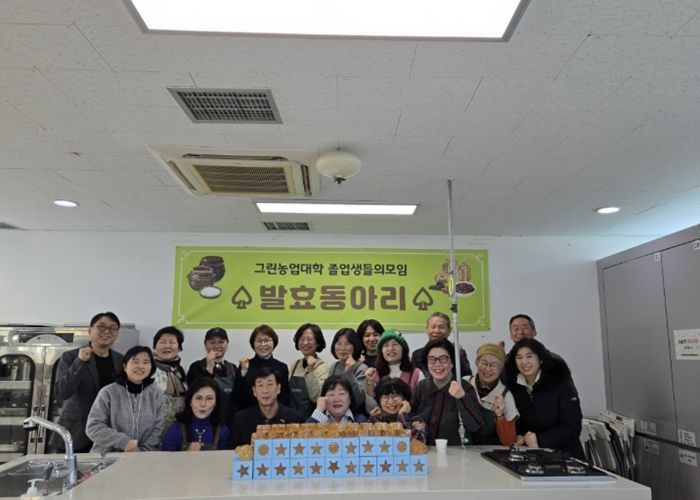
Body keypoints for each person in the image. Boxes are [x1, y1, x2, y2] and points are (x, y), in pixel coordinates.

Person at [51, 311, 124, 452]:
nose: (107, 331)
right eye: (101, 327)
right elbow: (62, 393)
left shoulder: (120, 360)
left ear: (117, 334)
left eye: (112, 328)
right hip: (77, 433)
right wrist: (80, 361)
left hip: (109, 433)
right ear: (90, 331)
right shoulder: (70, 357)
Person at [504, 338, 585, 459]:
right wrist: (520, 434)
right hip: (532, 457)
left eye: (529, 356)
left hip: (565, 457)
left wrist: (541, 440)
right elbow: (520, 420)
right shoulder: (514, 386)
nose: (524, 362)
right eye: (519, 357)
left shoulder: (560, 382)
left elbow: (572, 426)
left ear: (540, 359)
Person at [85, 346, 164, 453]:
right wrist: (124, 442)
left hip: (144, 456)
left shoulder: (155, 393)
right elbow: (93, 427)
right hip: (108, 456)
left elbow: (158, 428)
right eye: (135, 362)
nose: (141, 366)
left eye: (146, 362)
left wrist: (142, 451)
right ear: (125, 366)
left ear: (151, 367)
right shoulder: (108, 392)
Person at [412, 338, 483, 446]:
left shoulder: (464, 387)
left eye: (443, 359)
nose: (437, 364)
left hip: (457, 452)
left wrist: (462, 398)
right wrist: (414, 422)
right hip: (425, 450)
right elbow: (412, 413)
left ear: (452, 362)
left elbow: (475, 425)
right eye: (432, 359)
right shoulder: (421, 387)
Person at [231, 367, 304, 448]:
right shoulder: (241, 420)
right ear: (254, 391)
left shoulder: (295, 418)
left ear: (278, 388)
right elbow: (234, 453)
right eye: (260, 385)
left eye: (270, 384)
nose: (265, 391)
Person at [465, 343, 518, 446]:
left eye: (493, 365)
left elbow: (509, 441)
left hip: (489, 450)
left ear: (501, 368)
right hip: (460, 448)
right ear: (476, 363)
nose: (488, 369)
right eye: (484, 363)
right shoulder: (464, 383)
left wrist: (500, 415)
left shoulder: (505, 395)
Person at [186, 327, 238, 427]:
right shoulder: (196, 367)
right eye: (212, 342)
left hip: (229, 422)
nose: (217, 346)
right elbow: (196, 394)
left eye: (221, 342)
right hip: (205, 423)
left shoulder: (232, 368)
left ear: (227, 344)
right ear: (205, 344)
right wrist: (209, 367)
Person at [161, 378, 231, 451]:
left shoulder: (223, 431)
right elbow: (165, 457)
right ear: (190, 402)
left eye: (209, 398)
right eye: (198, 398)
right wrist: (187, 454)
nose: (203, 404)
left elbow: (226, 458)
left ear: (216, 403)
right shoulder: (175, 429)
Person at [236, 324, 290, 410]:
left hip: (275, 415)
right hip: (249, 414)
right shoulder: (245, 366)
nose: (263, 344)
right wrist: (243, 372)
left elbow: (285, 398)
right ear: (253, 344)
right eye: (259, 341)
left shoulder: (282, 367)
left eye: (267, 340)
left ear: (274, 342)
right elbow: (237, 396)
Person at [327, 328, 374, 415]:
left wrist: (349, 372)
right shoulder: (334, 366)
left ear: (355, 346)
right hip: (334, 413)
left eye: (347, 344)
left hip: (355, 415)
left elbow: (359, 400)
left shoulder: (362, 368)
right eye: (339, 343)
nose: (342, 348)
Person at [288, 323, 330, 419]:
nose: (305, 343)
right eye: (301, 339)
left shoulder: (322, 367)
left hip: (313, 419)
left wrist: (311, 370)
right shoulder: (295, 364)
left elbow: (316, 397)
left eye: (309, 339)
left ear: (318, 343)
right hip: (293, 418)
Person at [411, 312, 472, 377]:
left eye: (441, 327)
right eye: (433, 327)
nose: (436, 331)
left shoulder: (457, 352)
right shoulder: (417, 355)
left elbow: (466, 376)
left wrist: (458, 354)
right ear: (427, 329)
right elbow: (415, 379)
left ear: (449, 331)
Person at [365, 329, 423, 397]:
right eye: (386, 345)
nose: (390, 348)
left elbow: (423, 400)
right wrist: (370, 382)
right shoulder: (375, 374)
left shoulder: (416, 374)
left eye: (395, 344)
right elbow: (371, 402)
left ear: (403, 349)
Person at [369, 377, 426, 443]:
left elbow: (419, 443)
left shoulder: (415, 419)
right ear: (379, 401)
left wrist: (403, 416)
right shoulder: (376, 420)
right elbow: (370, 443)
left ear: (405, 399)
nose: (390, 402)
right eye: (385, 397)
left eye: (395, 396)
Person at [152, 326, 187, 430]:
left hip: (179, 428)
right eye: (162, 342)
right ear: (155, 346)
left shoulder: (183, 371)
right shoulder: (147, 369)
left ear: (179, 348)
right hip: (152, 428)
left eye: (172, 342)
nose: (167, 346)